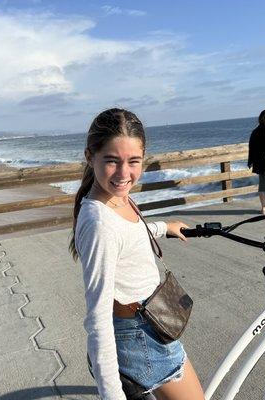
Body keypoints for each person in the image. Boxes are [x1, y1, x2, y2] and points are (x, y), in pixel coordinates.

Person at [70, 108, 204, 400]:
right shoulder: (98, 223)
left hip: (146, 321)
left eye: (134, 161)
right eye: (112, 161)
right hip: (140, 334)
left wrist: (162, 227)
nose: (123, 173)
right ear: (90, 157)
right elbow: (98, 317)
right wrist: (112, 394)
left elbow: (127, 234)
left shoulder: (115, 197)